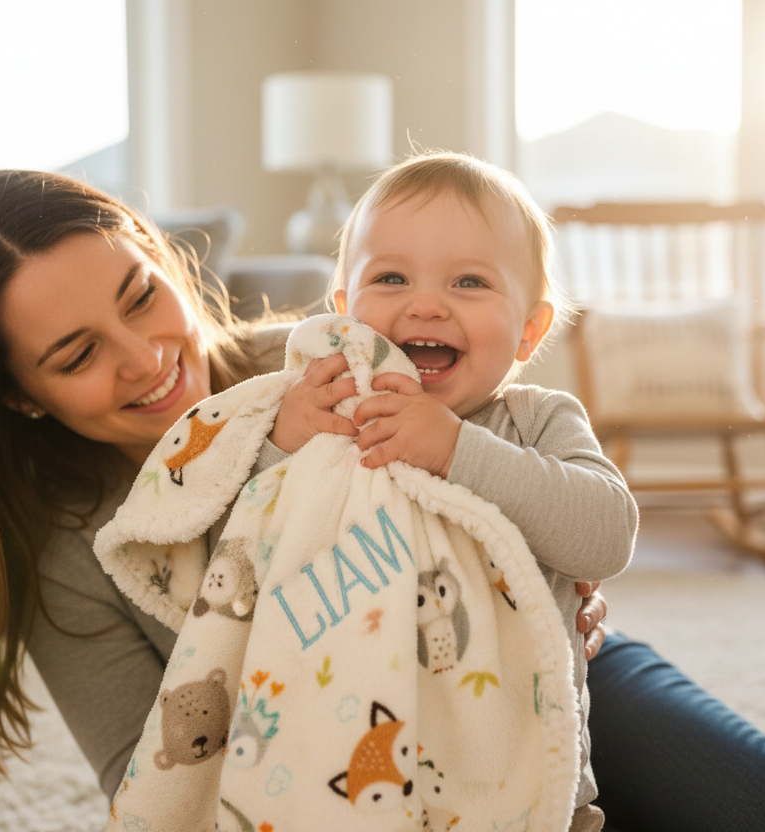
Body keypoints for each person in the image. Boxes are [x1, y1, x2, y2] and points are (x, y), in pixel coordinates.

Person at [0, 166, 765, 831]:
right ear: (15, 395)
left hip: (555, 680)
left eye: (139, 296)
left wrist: (551, 578)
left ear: (162, 258)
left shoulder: (335, 360)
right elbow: (154, 779)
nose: (147, 358)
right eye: (75, 354)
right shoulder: (72, 547)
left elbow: (543, 482)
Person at [258, 150, 636, 829]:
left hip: (529, 788)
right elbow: (246, 557)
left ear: (529, 329)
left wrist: (457, 449)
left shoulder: (537, 422)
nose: (426, 304)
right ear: (343, 311)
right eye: (391, 277)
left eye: (469, 281)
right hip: (352, 780)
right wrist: (279, 450)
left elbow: (606, 536)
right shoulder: (323, 417)